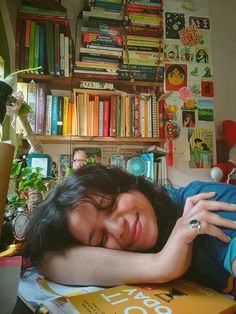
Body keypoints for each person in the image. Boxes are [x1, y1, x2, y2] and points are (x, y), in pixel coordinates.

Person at [23, 164, 236, 297]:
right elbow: (48, 260)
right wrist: (161, 264)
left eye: (112, 205)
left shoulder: (206, 205)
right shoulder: (135, 253)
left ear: (128, 183)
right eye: (100, 239)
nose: (118, 229)